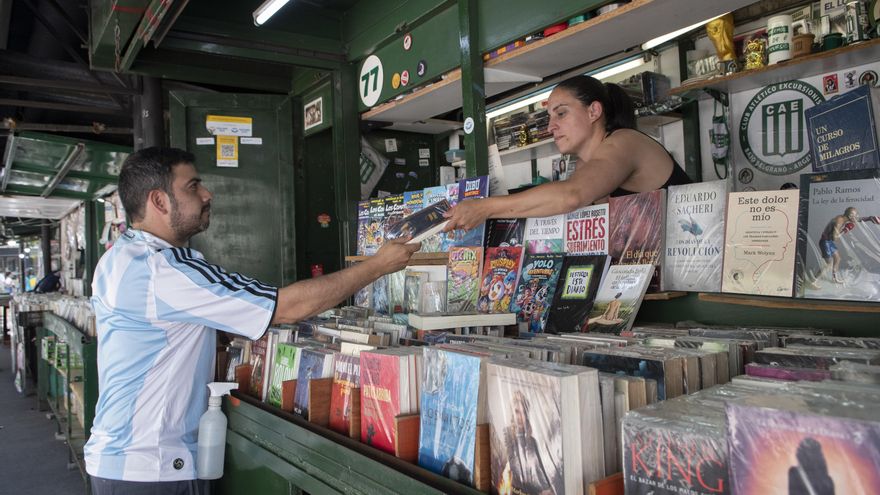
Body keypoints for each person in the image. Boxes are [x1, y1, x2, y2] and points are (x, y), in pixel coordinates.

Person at [84, 147, 418, 494]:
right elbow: (286, 307)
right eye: (193, 186)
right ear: (160, 201)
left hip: (120, 461)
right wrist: (378, 266)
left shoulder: (120, 258)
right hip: (152, 467)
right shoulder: (163, 269)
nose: (206, 194)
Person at [444, 75, 691, 232]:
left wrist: (484, 207)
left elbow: (570, 196)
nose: (551, 126)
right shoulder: (584, 165)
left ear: (594, 111)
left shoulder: (625, 141)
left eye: (561, 113)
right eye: (549, 117)